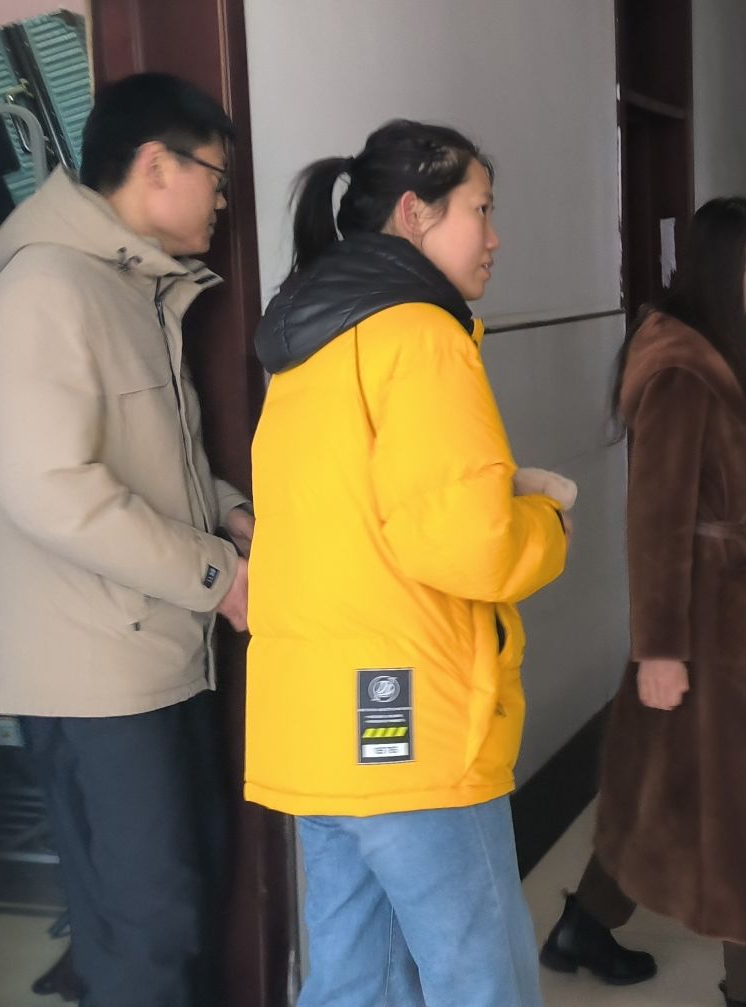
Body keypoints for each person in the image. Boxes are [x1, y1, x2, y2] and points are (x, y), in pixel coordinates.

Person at [243, 120, 572, 1007]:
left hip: (320, 727)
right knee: (482, 981)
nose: (495, 236)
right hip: (409, 724)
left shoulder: (309, 343)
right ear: (415, 212)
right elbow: (468, 544)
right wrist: (545, 520)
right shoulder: (421, 335)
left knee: (356, 981)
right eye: (480, 209)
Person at [0, 71, 254, 1007]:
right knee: (145, 925)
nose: (222, 199)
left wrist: (232, 515)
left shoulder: (132, 289)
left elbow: (153, 464)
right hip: (88, 672)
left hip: (152, 650)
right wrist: (218, 575)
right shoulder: (47, 290)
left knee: (181, 898)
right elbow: (52, 487)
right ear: (157, 166)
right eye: (216, 175)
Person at [542, 197, 746, 1007]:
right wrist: (659, 647)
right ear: (717, 270)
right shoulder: (684, 372)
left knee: (660, 779)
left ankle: (584, 924)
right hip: (700, 620)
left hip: (732, 608)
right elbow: (655, 520)